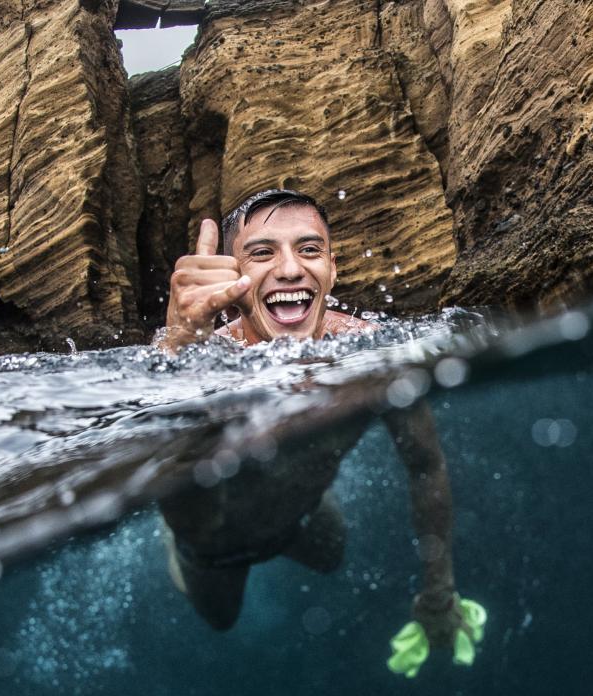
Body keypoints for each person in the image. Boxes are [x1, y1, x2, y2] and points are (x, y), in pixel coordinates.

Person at [155, 189, 475, 671]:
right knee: (221, 619)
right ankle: (173, 552)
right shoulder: (199, 361)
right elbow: (150, 454)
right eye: (261, 253)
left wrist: (439, 590)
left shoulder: (372, 357)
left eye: (308, 249)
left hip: (303, 512)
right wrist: (180, 345)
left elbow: (426, 465)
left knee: (332, 557)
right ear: (232, 276)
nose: (289, 270)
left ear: (333, 266)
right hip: (214, 546)